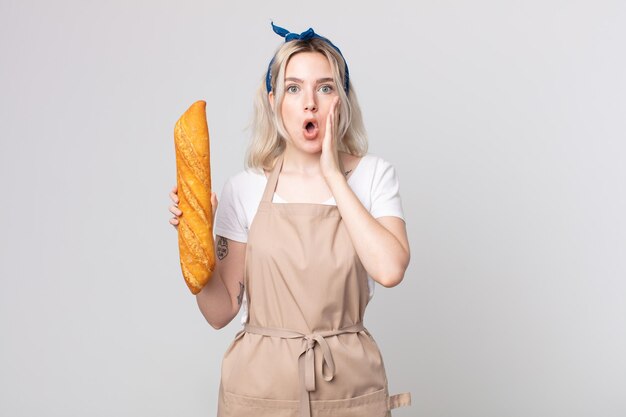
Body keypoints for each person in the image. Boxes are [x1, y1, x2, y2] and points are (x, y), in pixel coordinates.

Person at [168, 22, 411, 417]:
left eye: (326, 87)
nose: (310, 102)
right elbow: (219, 312)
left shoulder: (372, 176)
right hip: (258, 394)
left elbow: (390, 268)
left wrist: (333, 175)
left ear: (342, 101)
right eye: (294, 88)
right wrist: (193, 237)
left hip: (349, 391)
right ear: (274, 102)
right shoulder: (244, 189)